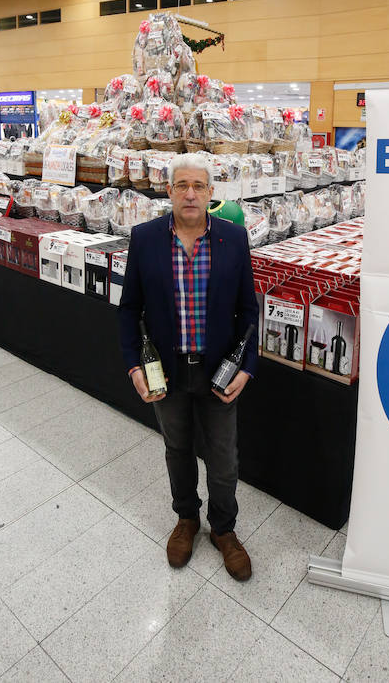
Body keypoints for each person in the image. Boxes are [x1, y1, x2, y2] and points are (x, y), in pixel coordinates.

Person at [119, 153, 259, 581]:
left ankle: (224, 529)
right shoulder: (144, 238)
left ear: (212, 193)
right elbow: (129, 310)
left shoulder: (234, 239)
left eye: (199, 186)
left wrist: (247, 367)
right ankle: (186, 519)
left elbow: (249, 311)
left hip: (218, 370)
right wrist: (134, 367)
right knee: (177, 449)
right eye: (182, 185)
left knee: (223, 458)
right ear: (169, 191)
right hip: (167, 371)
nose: (191, 193)